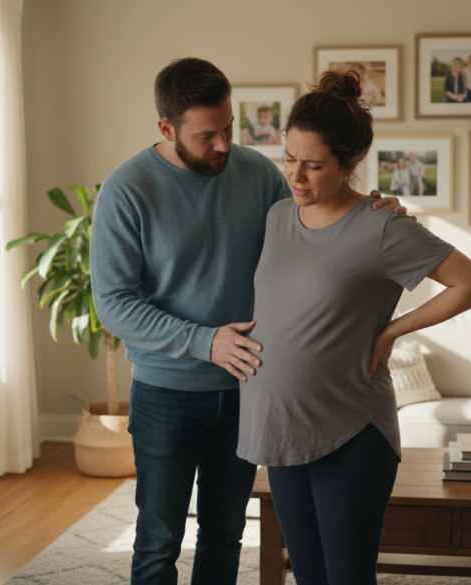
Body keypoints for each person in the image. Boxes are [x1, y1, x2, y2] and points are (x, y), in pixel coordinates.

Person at [89, 57, 406, 585]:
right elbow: (114, 304)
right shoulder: (126, 190)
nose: (223, 145)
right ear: (166, 129)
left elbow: (315, 229)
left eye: (229, 128)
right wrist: (204, 341)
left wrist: (372, 213)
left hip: (250, 390)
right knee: (157, 539)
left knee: (226, 533)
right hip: (167, 392)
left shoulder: (257, 174)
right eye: (206, 134)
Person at [237, 69, 471, 585]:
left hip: (351, 431)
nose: (296, 176)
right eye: (288, 158)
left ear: (351, 162)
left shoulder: (382, 227)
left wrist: (392, 331)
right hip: (281, 427)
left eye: (314, 165)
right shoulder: (277, 218)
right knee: (307, 574)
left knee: (348, 577)